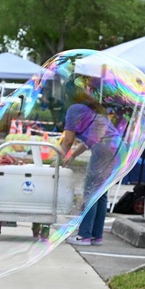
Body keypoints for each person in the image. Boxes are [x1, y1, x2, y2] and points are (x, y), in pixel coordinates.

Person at [60, 79, 122, 246]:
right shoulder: (92, 109)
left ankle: (84, 235)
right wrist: (72, 156)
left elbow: (67, 140)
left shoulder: (74, 110)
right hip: (115, 149)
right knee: (100, 194)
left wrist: (57, 159)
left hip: (103, 151)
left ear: (68, 96)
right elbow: (91, 139)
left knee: (90, 192)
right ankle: (96, 236)